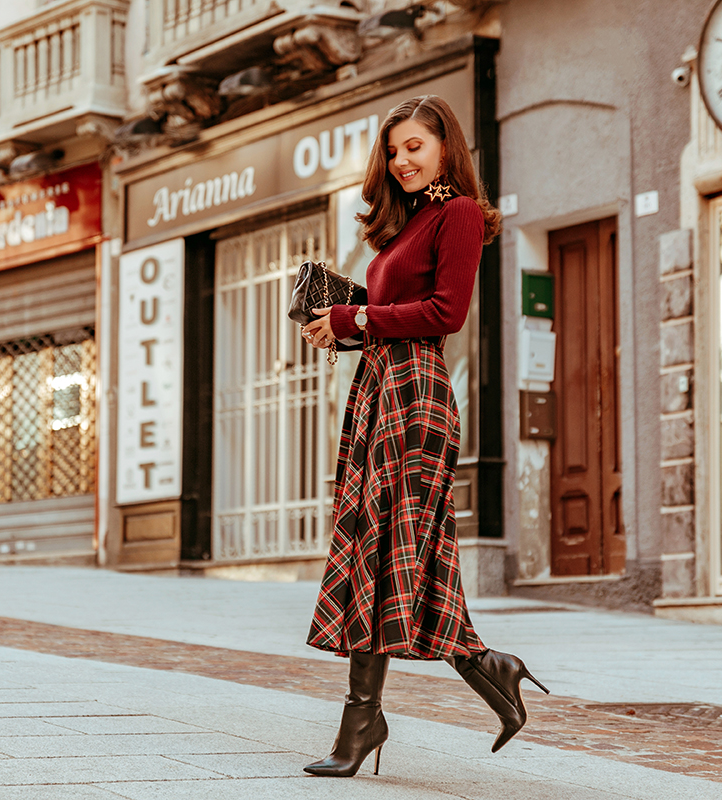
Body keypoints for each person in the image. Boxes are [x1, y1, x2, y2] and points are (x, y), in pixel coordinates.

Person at [299, 95, 548, 778]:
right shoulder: (404, 223)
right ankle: (486, 671)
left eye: (415, 147)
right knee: (400, 552)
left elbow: (447, 312)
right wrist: (344, 325)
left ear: (446, 149)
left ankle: (362, 724)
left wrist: (357, 319)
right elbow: (390, 315)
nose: (402, 160)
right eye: (393, 150)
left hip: (417, 397)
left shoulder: (458, 214)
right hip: (382, 386)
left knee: (388, 548)